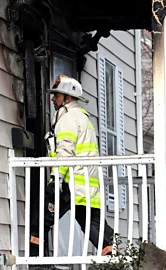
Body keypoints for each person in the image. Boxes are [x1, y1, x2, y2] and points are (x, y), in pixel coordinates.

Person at [30, 74, 115, 260]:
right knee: (96, 228)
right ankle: (116, 260)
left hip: (69, 184)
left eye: (57, 95)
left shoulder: (68, 118)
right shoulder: (84, 119)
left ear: (67, 98)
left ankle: (37, 263)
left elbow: (65, 151)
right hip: (86, 186)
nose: (53, 99)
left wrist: (57, 179)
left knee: (39, 221)